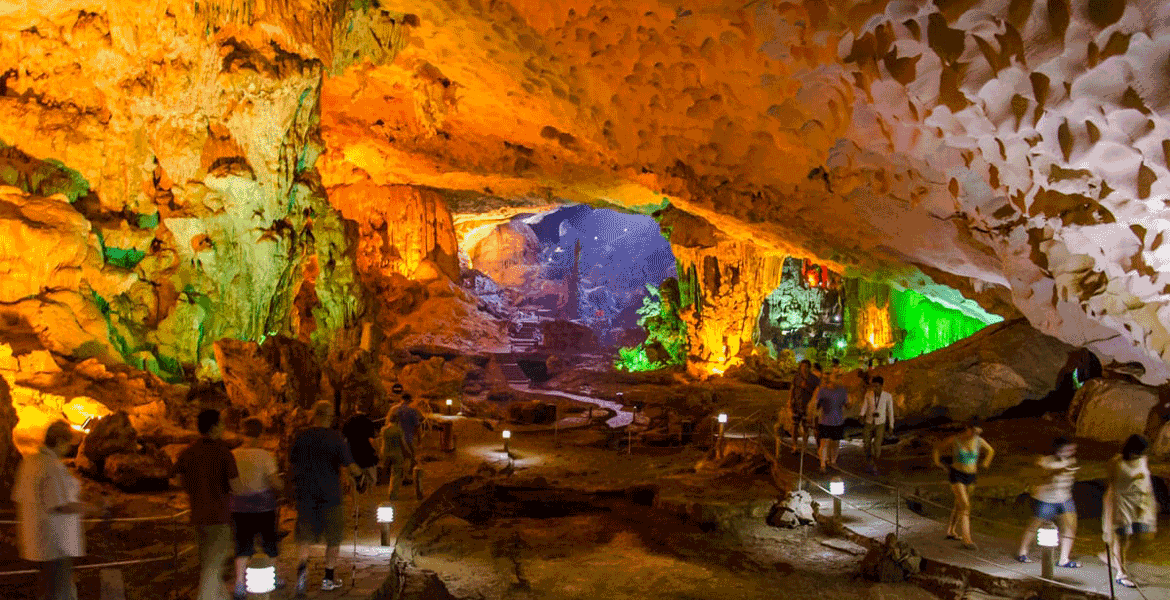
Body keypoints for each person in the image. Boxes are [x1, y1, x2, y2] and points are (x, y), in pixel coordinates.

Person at [13, 420, 107, 600]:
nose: (67, 448)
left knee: (46, 590)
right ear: (59, 442)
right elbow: (60, 505)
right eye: (67, 443)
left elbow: (20, 498)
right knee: (60, 592)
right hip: (54, 544)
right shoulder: (51, 467)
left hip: (32, 541)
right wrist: (94, 508)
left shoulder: (29, 462)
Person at [290, 400, 365, 594]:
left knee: (305, 537)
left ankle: (302, 576)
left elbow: (292, 463)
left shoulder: (301, 437)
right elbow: (351, 466)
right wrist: (360, 477)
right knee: (333, 538)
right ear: (330, 417)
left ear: (314, 415)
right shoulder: (336, 438)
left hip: (305, 494)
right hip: (330, 495)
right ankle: (328, 578)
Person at [171, 409, 241, 600]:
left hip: (198, 517)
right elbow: (236, 486)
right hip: (219, 517)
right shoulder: (223, 452)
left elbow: (177, 480)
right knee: (212, 569)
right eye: (221, 423)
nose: (224, 427)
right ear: (215, 426)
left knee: (210, 566)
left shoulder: (188, 453)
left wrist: (194, 489)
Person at [230, 418, 285, 600]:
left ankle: (239, 584)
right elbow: (275, 482)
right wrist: (282, 487)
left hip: (238, 507)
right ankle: (274, 578)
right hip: (263, 507)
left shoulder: (234, 455)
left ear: (242, 433)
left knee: (242, 546)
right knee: (269, 543)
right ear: (260, 434)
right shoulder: (264, 456)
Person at [1015, 437, 1080, 568]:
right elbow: (1041, 476)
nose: (1072, 451)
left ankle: (1064, 559)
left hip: (1065, 498)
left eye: (1073, 449)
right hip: (1046, 499)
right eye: (1068, 448)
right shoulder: (1045, 461)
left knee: (1070, 527)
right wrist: (1058, 470)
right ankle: (1022, 552)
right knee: (1035, 525)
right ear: (1059, 449)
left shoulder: (1071, 461)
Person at [1101, 434, 1156, 589]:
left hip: (1139, 504)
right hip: (1121, 504)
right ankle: (1121, 573)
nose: (1139, 455)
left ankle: (1112, 557)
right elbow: (1111, 484)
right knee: (1121, 537)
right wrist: (1110, 509)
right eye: (1138, 452)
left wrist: (1150, 501)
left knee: (1141, 537)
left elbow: (1146, 481)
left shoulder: (1142, 460)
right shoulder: (1117, 462)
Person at [933, 419, 994, 550]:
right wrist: (938, 463)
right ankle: (967, 539)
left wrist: (985, 463)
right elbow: (938, 448)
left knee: (959, 503)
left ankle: (951, 530)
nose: (975, 434)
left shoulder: (979, 441)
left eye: (978, 433)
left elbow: (990, 451)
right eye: (974, 431)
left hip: (971, 476)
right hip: (957, 475)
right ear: (968, 428)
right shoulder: (955, 440)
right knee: (965, 506)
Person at [813, 369, 850, 473]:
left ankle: (833, 461)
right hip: (825, 420)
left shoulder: (842, 391)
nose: (838, 379)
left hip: (838, 421)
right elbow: (817, 406)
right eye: (836, 377)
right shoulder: (823, 391)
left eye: (839, 377)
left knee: (835, 443)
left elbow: (846, 404)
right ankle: (823, 464)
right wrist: (819, 404)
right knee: (824, 442)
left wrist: (849, 405)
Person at [860, 375, 895, 472]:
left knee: (877, 445)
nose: (875, 388)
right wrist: (861, 415)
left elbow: (890, 412)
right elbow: (864, 406)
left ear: (881, 386)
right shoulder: (868, 394)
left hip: (880, 423)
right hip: (869, 422)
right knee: (866, 443)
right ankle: (869, 460)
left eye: (877, 386)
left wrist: (891, 426)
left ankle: (875, 464)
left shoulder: (887, 396)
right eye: (873, 386)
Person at [789, 359, 820, 456]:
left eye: (806, 367)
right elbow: (792, 388)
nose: (804, 368)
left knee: (806, 427)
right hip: (797, 404)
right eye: (802, 366)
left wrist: (806, 387)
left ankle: (804, 446)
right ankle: (794, 445)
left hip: (808, 405)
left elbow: (817, 391)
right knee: (795, 426)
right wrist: (790, 400)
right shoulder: (797, 376)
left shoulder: (814, 379)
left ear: (809, 368)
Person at [342, 412, 380, 490]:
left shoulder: (347, 425)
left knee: (354, 482)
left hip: (353, 457)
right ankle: (370, 498)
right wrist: (378, 452)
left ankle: (356, 500)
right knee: (371, 480)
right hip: (368, 456)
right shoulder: (367, 423)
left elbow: (344, 441)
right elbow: (372, 440)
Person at [380, 409, 412, 500]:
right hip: (397, 454)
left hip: (386, 453)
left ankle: (382, 492)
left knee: (385, 473)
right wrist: (408, 452)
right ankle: (392, 493)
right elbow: (403, 444)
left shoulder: (384, 430)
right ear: (397, 421)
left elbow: (382, 442)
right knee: (396, 474)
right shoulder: (398, 430)